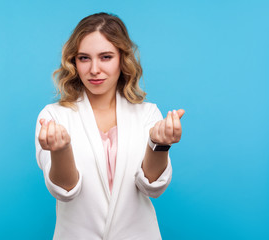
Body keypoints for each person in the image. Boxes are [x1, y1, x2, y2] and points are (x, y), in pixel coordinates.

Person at [35, 12, 185, 240]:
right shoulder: (53, 117)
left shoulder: (147, 114)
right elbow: (66, 191)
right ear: (73, 61)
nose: (94, 69)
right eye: (84, 58)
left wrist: (159, 144)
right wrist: (61, 149)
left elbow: (152, 188)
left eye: (105, 57)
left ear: (122, 59)